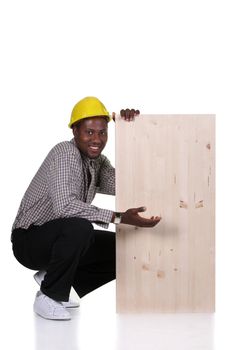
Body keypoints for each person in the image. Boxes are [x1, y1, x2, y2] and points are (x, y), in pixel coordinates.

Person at [11, 96, 161, 320]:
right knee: (80, 227)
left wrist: (133, 131)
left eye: (102, 133)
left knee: (125, 250)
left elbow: (126, 183)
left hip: (60, 240)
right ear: (75, 131)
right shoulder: (65, 153)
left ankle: (53, 280)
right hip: (29, 241)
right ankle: (48, 296)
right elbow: (65, 207)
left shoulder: (97, 162)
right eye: (89, 132)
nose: (97, 139)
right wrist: (119, 217)